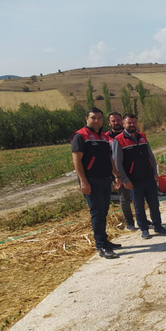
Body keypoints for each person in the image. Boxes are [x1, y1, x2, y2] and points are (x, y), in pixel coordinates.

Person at [71, 107, 123, 259]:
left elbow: (109, 158)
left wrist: (116, 175)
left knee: (104, 211)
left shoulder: (102, 136)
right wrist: (83, 181)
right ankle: (101, 246)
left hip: (105, 180)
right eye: (93, 118)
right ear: (86, 119)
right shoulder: (80, 136)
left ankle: (104, 240)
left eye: (99, 118)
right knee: (97, 213)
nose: (96, 120)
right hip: (91, 182)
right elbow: (77, 160)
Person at [112, 114, 166, 239]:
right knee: (139, 206)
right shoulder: (119, 140)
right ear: (124, 124)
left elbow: (150, 155)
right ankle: (144, 229)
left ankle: (158, 226)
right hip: (133, 181)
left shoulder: (142, 136)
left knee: (154, 204)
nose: (132, 125)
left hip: (149, 177)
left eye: (134, 122)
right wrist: (125, 179)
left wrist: (155, 172)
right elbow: (117, 162)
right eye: (129, 123)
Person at [103, 112, 135, 231]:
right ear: (109, 123)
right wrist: (116, 174)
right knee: (124, 198)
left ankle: (143, 219)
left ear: (122, 121)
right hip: (117, 173)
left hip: (133, 170)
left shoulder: (129, 133)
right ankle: (129, 222)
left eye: (118, 120)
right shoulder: (105, 137)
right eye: (113, 121)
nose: (116, 123)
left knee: (138, 196)